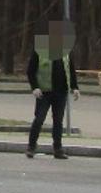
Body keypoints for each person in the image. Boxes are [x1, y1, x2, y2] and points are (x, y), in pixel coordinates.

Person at [26, 20, 80, 159]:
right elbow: (30, 70)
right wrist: (35, 87)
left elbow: (71, 70)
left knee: (58, 121)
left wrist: (75, 87)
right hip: (44, 92)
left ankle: (58, 149)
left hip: (61, 91)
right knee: (39, 119)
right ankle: (31, 146)